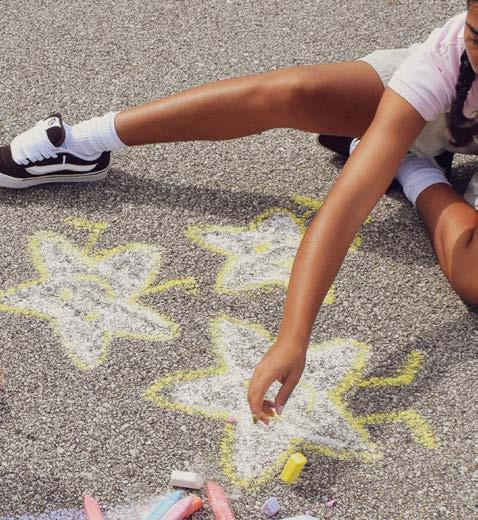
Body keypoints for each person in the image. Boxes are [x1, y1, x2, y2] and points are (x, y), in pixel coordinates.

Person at [1, 4, 478, 426]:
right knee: (292, 92)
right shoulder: (448, 54)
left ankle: (414, 168)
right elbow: (346, 206)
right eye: (477, 36)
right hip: (454, 102)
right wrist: (293, 336)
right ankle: (77, 142)